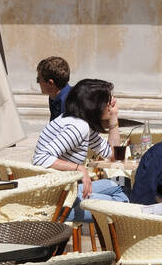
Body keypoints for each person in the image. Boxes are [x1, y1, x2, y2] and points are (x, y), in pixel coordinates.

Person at [32, 78, 128, 217]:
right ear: (94, 104)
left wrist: (113, 117)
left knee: (120, 186)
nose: (110, 104)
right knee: (122, 206)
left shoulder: (81, 123)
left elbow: (113, 155)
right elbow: (40, 159)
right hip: (54, 201)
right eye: (107, 101)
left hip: (63, 189)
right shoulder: (78, 126)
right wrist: (79, 168)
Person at [36, 56, 72, 121]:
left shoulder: (70, 103)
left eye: (38, 79)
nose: (38, 83)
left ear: (50, 83)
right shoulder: (53, 98)